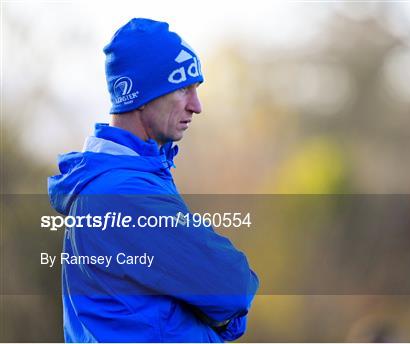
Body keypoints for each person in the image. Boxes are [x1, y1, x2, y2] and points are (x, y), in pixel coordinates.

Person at [48, 18, 259, 342]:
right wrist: (221, 317)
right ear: (139, 96)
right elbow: (233, 287)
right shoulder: (123, 193)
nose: (196, 105)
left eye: (197, 89)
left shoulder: (125, 181)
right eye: (182, 88)